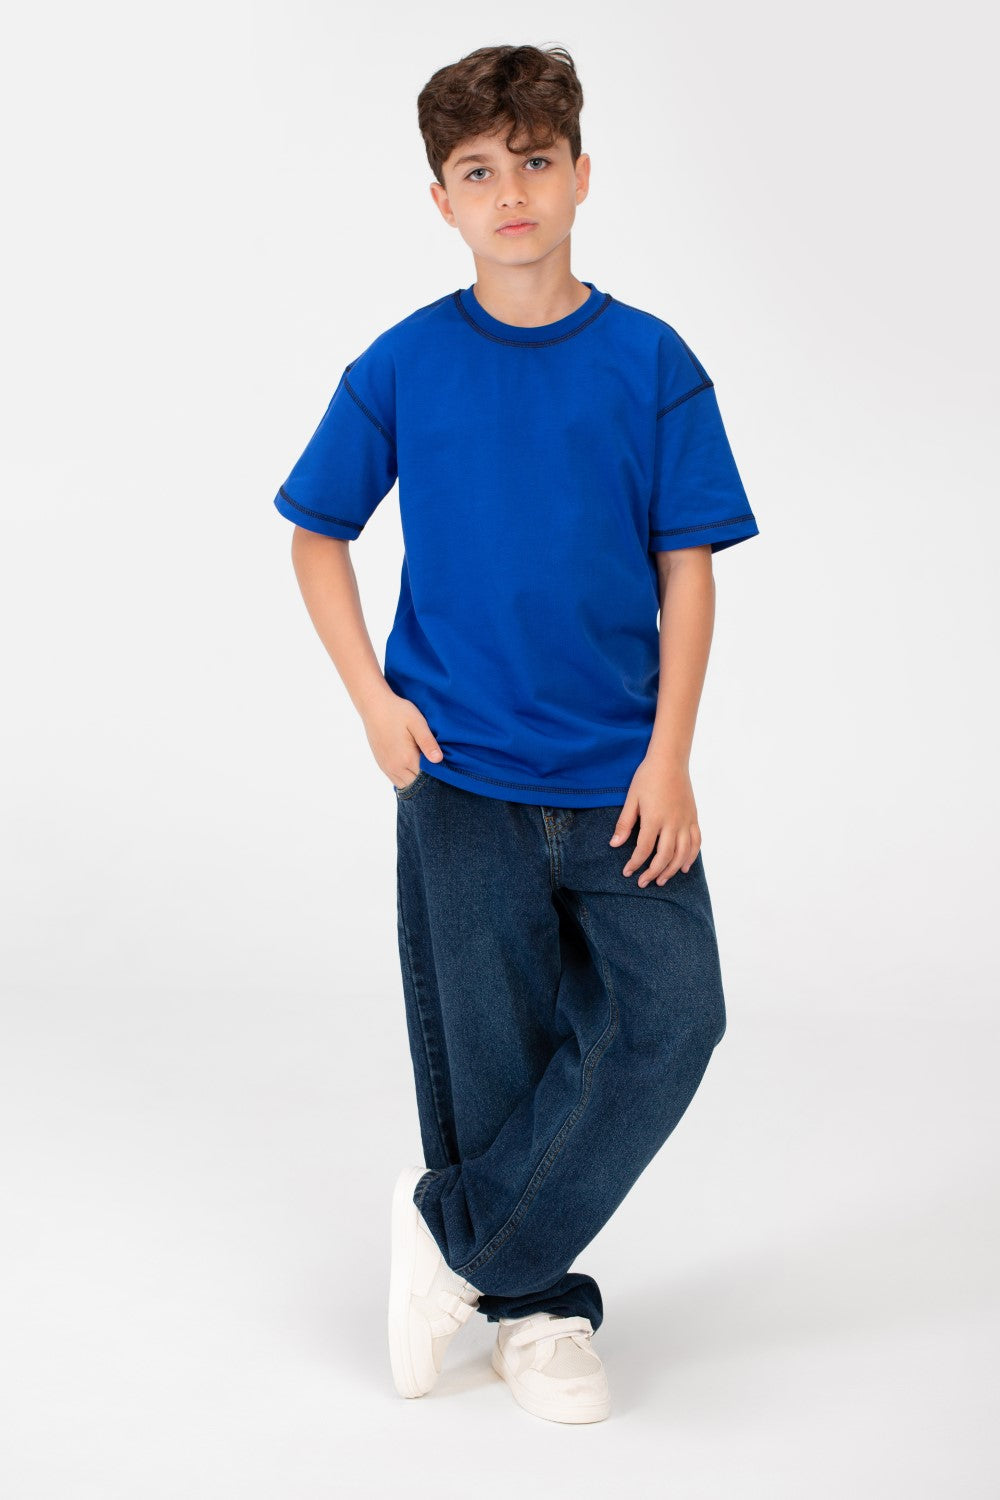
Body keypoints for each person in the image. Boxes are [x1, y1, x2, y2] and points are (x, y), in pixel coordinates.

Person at [272, 42, 760, 1426]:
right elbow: (315, 534)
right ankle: (533, 1315)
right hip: (461, 780)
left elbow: (687, 571)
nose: (512, 193)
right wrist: (374, 703)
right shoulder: (406, 364)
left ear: (581, 175)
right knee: (493, 1057)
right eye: (479, 172)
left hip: (620, 782)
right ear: (442, 201)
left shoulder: (651, 364)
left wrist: (669, 756)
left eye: (535, 161)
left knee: (674, 1017)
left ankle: (452, 1243)